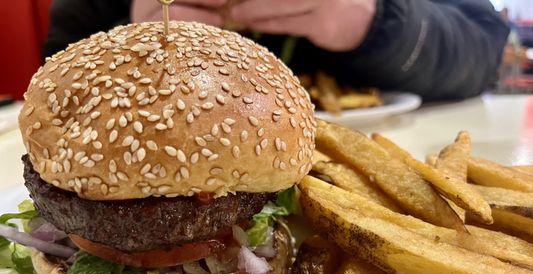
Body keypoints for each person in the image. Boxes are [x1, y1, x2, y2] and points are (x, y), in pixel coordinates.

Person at [44, 0, 509, 100]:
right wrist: (132, 42)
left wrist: (377, 22)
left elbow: (483, 47)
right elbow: (52, 88)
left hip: (389, 137)